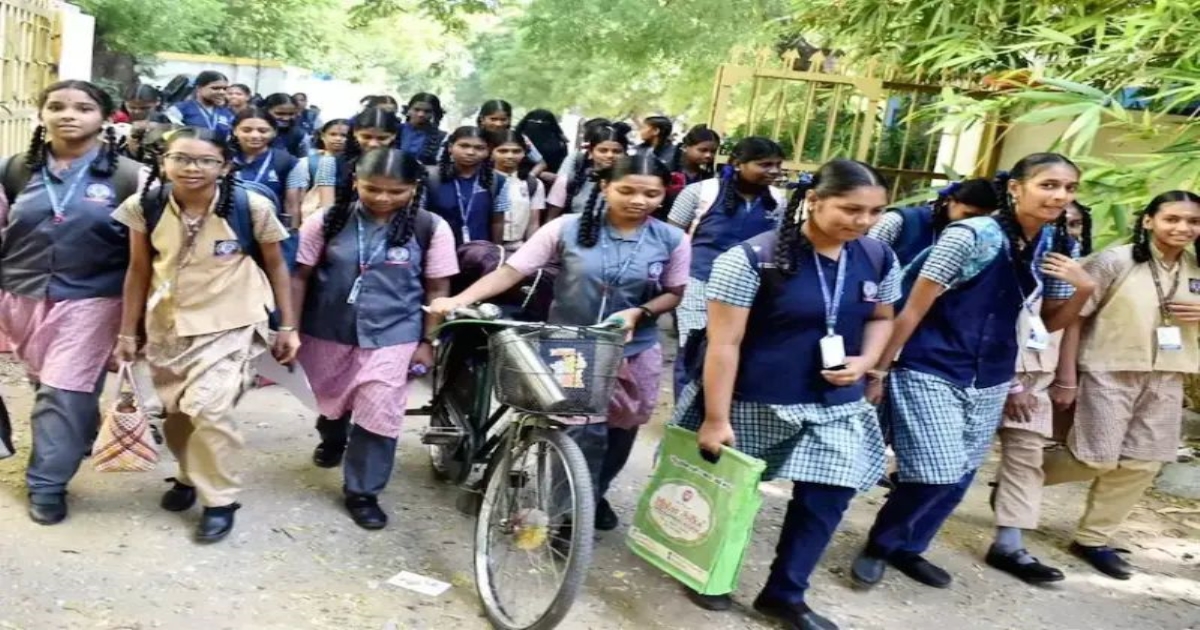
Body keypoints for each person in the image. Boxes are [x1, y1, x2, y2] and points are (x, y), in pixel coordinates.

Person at [851, 153, 1096, 589]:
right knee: (937, 468)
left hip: (993, 374)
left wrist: (1084, 288)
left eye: (1069, 188)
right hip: (931, 363)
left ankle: (910, 548)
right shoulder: (971, 235)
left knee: (960, 473)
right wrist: (880, 371)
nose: (1060, 195)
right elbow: (913, 308)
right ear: (1016, 189)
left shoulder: (1059, 246)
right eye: (1048, 184)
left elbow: (1051, 322)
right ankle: (879, 544)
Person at [679, 159, 897, 629]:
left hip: (833, 403)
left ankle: (785, 594)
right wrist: (716, 419)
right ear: (814, 200)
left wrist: (866, 363)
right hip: (756, 399)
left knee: (829, 495)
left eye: (876, 211)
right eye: (851, 209)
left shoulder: (878, 256)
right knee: (733, 493)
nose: (863, 221)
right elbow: (724, 344)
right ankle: (707, 571)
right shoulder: (751, 259)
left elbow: (882, 317)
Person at [430, 153, 690, 532]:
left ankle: (592, 494)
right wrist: (458, 301)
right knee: (578, 428)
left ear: (663, 195)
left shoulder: (672, 239)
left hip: (635, 349)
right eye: (627, 190)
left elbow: (674, 292)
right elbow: (512, 270)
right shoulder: (565, 228)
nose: (639, 200)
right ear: (605, 187)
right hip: (572, 345)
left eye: (651, 194)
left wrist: (640, 313)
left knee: (621, 429)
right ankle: (563, 512)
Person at [112, 127, 299, 543]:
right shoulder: (144, 205)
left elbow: (277, 265)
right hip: (170, 324)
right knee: (177, 413)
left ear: (225, 165)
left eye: (205, 160)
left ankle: (220, 500)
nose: (191, 168)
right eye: (181, 158)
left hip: (233, 321)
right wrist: (128, 332)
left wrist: (287, 325)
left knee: (210, 410)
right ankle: (187, 473)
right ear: (164, 161)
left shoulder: (250, 206)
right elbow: (139, 270)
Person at [0, 80, 142, 525]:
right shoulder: (14, 170)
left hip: (93, 300)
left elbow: (149, 255)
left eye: (82, 108)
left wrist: (136, 324)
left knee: (62, 392)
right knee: (48, 385)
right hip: (20, 295)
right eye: (56, 106)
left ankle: (47, 484)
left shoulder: (131, 177)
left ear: (103, 117)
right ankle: (77, 431)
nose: (68, 115)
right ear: (41, 115)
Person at [293, 148, 457, 529]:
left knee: (379, 409)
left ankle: (363, 491)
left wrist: (429, 342)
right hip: (328, 329)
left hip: (394, 333)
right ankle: (333, 437)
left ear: (414, 189)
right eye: (373, 189)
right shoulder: (328, 221)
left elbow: (437, 288)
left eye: (396, 191)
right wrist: (288, 327)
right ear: (355, 183)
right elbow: (298, 275)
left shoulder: (431, 228)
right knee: (333, 401)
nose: (383, 198)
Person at [1041, 190, 1200, 580]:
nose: (1182, 228)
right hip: (1107, 369)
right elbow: (1074, 316)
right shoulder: (1116, 260)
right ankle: (1021, 479)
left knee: (1144, 461)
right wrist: (1066, 377)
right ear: (1148, 221)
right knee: (1094, 456)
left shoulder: (1197, 266)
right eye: (1172, 219)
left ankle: (1093, 539)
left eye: (1192, 221)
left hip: (1168, 373)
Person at [986, 199, 1094, 584]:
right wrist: (1012, 382)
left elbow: (1057, 324)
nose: (1066, 228)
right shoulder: (994, 243)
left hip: (1036, 373)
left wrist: (1064, 377)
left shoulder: (1068, 260)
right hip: (987, 368)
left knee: (1027, 455)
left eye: (1076, 224)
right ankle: (902, 535)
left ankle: (1009, 545)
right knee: (954, 458)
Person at [667, 137, 785, 395]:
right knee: (693, 349)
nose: (774, 171)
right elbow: (671, 238)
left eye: (777, 165)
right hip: (698, 283)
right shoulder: (699, 192)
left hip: (750, 292)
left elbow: (778, 242)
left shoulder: (778, 200)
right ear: (738, 164)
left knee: (732, 350)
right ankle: (683, 423)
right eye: (765, 164)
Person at [229, 107, 307, 266]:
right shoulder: (222, 159)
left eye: (263, 130)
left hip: (270, 233)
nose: (255, 135)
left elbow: (292, 206)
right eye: (247, 130)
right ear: (235, 131)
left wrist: (290, 238)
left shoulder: (288, 162)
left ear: (274, 132)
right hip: (228, 231)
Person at [867, 178, 1001, 265]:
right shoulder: (898, 221)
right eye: (969, 215)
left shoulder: (982, 237)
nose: (974, 223)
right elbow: (865, 261)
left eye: (982, 218)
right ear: (950, 200)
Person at [423, 126, 508, 246]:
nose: (470, 152)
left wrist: (495, 250)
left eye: (479, 148)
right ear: (450, 147)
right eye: (464, 146)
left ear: (488, 151)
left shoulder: (498, 181)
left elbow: (498, 221)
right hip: (436, 248)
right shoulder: (429, 177)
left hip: (479, 253)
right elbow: (420, 217)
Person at [545, 122, 631, 220]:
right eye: (603, 150)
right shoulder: (571, 180)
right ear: (591, 152)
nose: (610, 155)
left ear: (625, 154)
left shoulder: (634, 183)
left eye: (616, 151)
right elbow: (551, 219)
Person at [490, 129, 544, 252]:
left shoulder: (532, 184)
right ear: (491, 152)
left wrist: (531, 250)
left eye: (516, 151)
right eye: (503, 151)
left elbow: (533, 223)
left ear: (524, 153)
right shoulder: (484, 181)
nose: (510, 156)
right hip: (486, 246)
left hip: (518, 247)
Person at [165, 71, 234, 141]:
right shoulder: (179, 110)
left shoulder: (227, 114)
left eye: (225, 89)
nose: (222, 92)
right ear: (199, 88)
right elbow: (171, 137)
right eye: (215, 88)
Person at [302, 119, 350, 218]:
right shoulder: (308, 161)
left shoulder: (354, 163)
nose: (338, 139)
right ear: (323, 136)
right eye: (333, 134)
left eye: (344, 136)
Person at [515, 109, 570, 185]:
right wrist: (537, 174)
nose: (537, 126)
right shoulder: (520, 141)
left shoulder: (560, 145)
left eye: (542, 123)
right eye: (534, 122)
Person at [398, 93, 446, 166]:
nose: (421, 114)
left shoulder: (442, 137)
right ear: (408, 110)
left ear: (434, 113)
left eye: (427, 111)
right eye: (416, 110)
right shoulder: (396, 130)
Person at [262, 93, 310, 158]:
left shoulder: (299, 136)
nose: (286, 118)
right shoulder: (254, 131)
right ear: (266, 111)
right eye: (280, 114)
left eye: (291, 114)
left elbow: (303, 162)